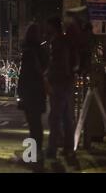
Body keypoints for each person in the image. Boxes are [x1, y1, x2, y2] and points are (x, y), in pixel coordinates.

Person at [45, 16, 77, 159]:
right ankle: (68, 147)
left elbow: (59, 64)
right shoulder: (66, 42)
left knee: (55, 117)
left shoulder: (58, 42)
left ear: (53, 27)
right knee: (65, 117)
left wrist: (50, 79)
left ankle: (53, 149)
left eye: (48, 27)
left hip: (59, 83)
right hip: (66, 82)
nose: (46, 30)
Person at [18, 23, 48, 158]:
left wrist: (20, 92)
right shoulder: (42, 51)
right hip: (39, 91)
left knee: (33, 125)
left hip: (30, 91)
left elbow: (24, 74)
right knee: (36, 124)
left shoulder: (29, 52)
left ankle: (33, 154)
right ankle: (36, 152)